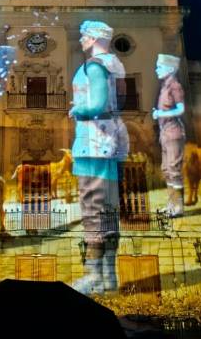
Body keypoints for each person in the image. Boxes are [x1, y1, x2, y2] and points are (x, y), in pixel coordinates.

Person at [69, 20, 129, 294]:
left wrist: (78, 110)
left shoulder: (93, 66)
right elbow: (120, 101)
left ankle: (94, 277)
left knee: (92, 206)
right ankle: (109, 277)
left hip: (92, 141)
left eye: (84, 37)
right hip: (110, 140)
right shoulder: (115, 64)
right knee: (107, 209)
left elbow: (98, 104)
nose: (81, 41)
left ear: (93, 38)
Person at [152, 54, 187, 217]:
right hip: (165, 133)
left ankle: (178, 207)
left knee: (174, 168)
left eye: (159, 66)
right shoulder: (164, 87)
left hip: (174, 132)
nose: (156, 69)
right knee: (166, 169)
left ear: (170, 68)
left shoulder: (174, 86)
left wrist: (160, 113)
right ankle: (171, 205)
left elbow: (180, 109)